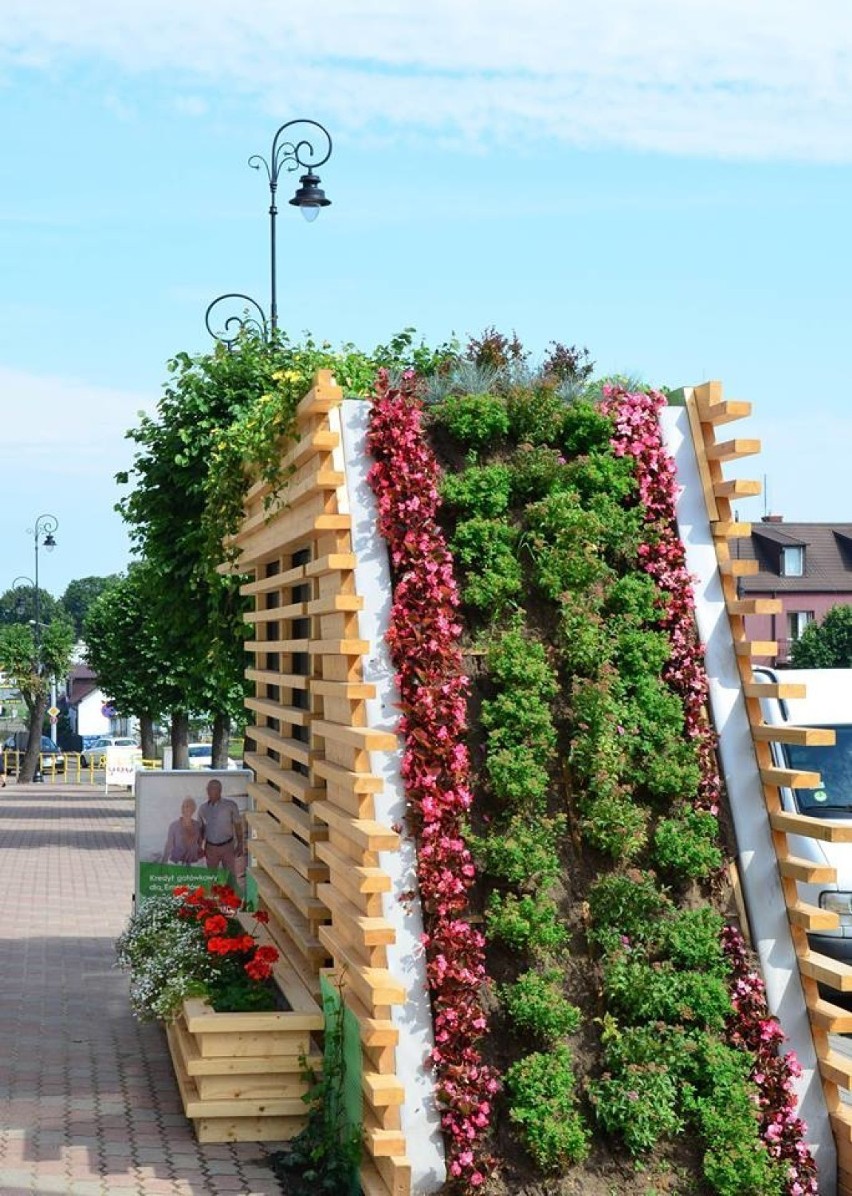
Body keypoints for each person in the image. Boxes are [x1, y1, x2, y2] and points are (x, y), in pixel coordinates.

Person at [197, 778, 244, 881]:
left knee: (230, 877)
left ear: (220, 790)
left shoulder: (230, 805)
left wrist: (240, 844)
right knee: (212, 878)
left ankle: (231, 896)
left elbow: (238, 825)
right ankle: (213, 896)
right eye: (209, 788)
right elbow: (201, 829)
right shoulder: (203, 808)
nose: (210, 791)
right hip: (211, 849)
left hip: (227, 847)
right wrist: (199, 846)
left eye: (213, 788)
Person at [162, 797, 204, 864]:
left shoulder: (197, 825)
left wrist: (197, 851)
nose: (184, 809)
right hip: (177, 862)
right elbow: (168, 845)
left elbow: (200, 842)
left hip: (193, 862)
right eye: (183, 806)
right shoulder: (174, 826)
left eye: (187, 806)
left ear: (193, 809)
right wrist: (163, 863)